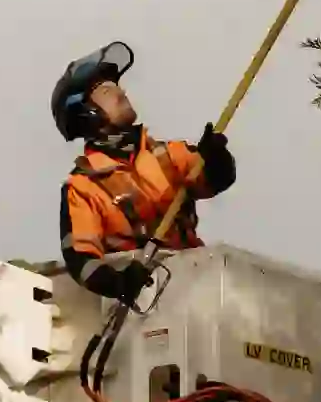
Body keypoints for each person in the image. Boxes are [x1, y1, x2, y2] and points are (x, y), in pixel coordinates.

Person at [51, 41, 235, 306]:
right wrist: (119, 283)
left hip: (196, 291)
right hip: (143, 312)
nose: (121, 92)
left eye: (118, 85)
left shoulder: (166, 154)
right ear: (87, 114)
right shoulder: (83, 188)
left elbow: (217, 179)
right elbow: (82, 259)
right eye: (106, 90)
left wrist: (216, 157)